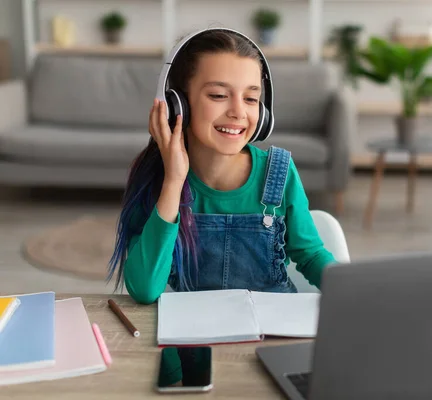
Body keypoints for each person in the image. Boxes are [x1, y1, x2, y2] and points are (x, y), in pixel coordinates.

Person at [107, 28, 337, 304]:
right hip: (195, 335)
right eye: (218, 95)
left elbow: (310, 255)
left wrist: (359, 288)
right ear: (177, 105)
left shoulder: (279, 172)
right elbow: (145, 289)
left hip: (273, 330)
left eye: (251, 98)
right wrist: (174, 180)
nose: (239, 112)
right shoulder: (157, 177)